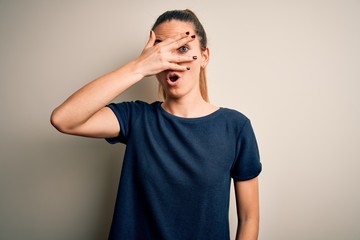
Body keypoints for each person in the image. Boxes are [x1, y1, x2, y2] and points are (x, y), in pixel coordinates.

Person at [51, 9, 262, 240]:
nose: (171, 60)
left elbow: (249, 218)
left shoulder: (235, 127)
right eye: (161, 51)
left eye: (183, 48)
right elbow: (64, 119)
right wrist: (138, 67)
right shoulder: (136, 117)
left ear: (204, 57)